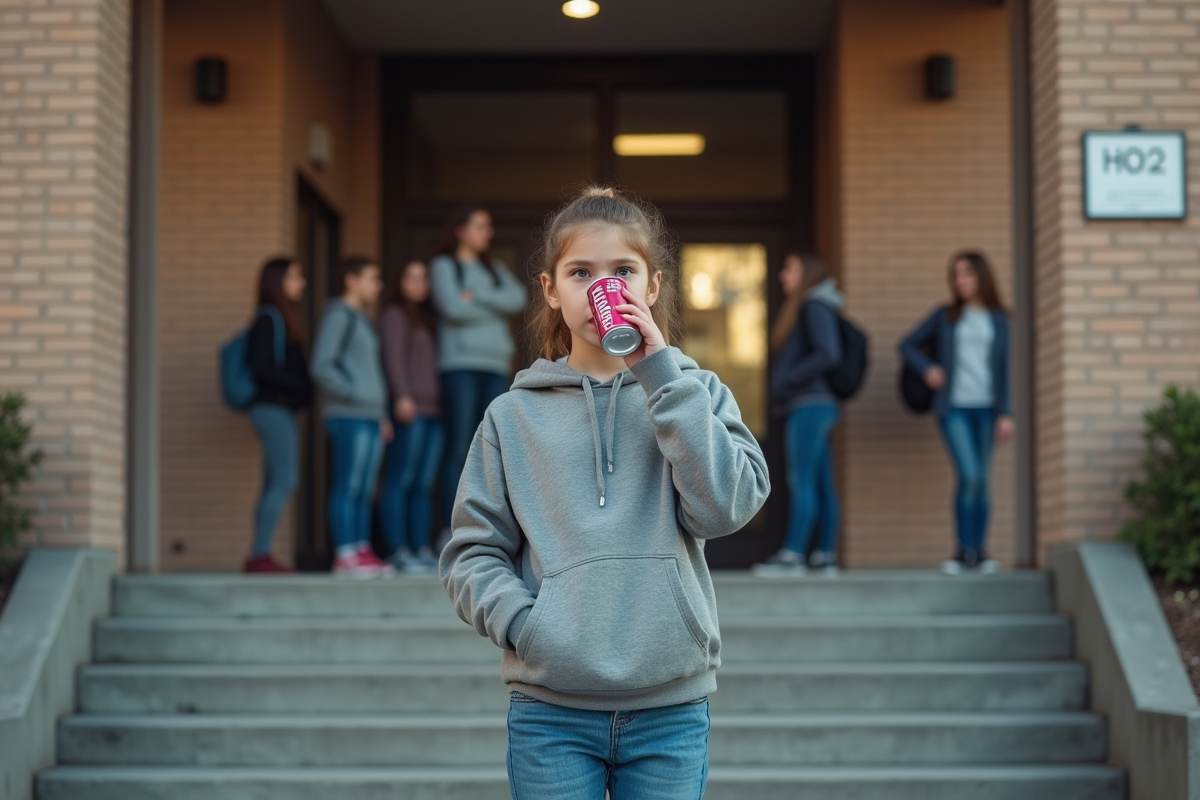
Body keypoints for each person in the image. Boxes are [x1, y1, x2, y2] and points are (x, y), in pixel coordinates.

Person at [439, 187, 770, 800]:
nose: (603, 288)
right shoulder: (511, 416)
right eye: (581, 272)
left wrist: (662, 378)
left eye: (623, 271)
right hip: (551, 711)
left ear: (652, 287)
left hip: (669, 706)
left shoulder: (696, 392)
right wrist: (524, 625)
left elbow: (726, 509)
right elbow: (470, 553)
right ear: (550, 290)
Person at [900, 250, 1013, 576]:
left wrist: (1006, 412)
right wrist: (928, 369)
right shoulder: (946, 316)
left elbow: (1004, 368)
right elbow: (906, 344)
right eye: (956, 275)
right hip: (954, 409)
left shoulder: (999, 318)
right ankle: (964, 550)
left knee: (982, 481)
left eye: (966, 274)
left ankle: (980, 551)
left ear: (981, 277)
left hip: (988, 409)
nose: (959, 280)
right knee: (970, 476)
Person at [429, 207, 528, 552]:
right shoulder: (444, 266)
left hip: (494, 366)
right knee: (459, 448)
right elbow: (453, 309)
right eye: (481, 226)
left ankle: (490, 527)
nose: (488, 233)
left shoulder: (492, 268)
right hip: (460, 366)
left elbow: (517, 298)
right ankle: (449, 528)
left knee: (493, 449)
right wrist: (490, 305)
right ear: (460, 230)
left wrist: (478, 296)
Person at [754, 253, 844, 578]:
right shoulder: (814, 305)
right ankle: (824, 557)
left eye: (789, 268)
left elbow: (828, 353)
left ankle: (793, 556)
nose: (782, 275)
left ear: (806, 273)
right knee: (820, 481)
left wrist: (789, 377)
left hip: (809, 404)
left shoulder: (813, 305)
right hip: (817, 404)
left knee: (801, 480)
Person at [310, 256, 394, 578]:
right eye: (372, 278)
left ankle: (361, 551)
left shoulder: (361, 319)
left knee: (364, 487)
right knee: (349, 483)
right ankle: (345, 554)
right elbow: (322, 365)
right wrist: (353, 394)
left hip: (371, 417)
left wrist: (381, 413)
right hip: (349, 415)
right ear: (351, 280)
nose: (378, 285)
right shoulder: (338, 316)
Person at [244, 257, 313, 574]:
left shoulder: (279, 318)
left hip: (276, 409)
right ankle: (259, 554)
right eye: (295, 277)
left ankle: (261, 552)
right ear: (277, 282)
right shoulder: (269, 319)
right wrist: (301, 384)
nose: (301, 283)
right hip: (272, 409)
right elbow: (262, 368)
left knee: (275, 480)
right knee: (285, 480)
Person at [378, 260, 443, 574]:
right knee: (400, 479)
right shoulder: (394, 314)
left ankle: (420, 548)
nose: (420, 284)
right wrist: (401, 395)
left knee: (423, 483)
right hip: (411, 408)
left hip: (434, 412)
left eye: (424, 278)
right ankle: (398, 549)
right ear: (399, 281)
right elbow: (392, 357)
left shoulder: (428, 318)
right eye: (412, 277)